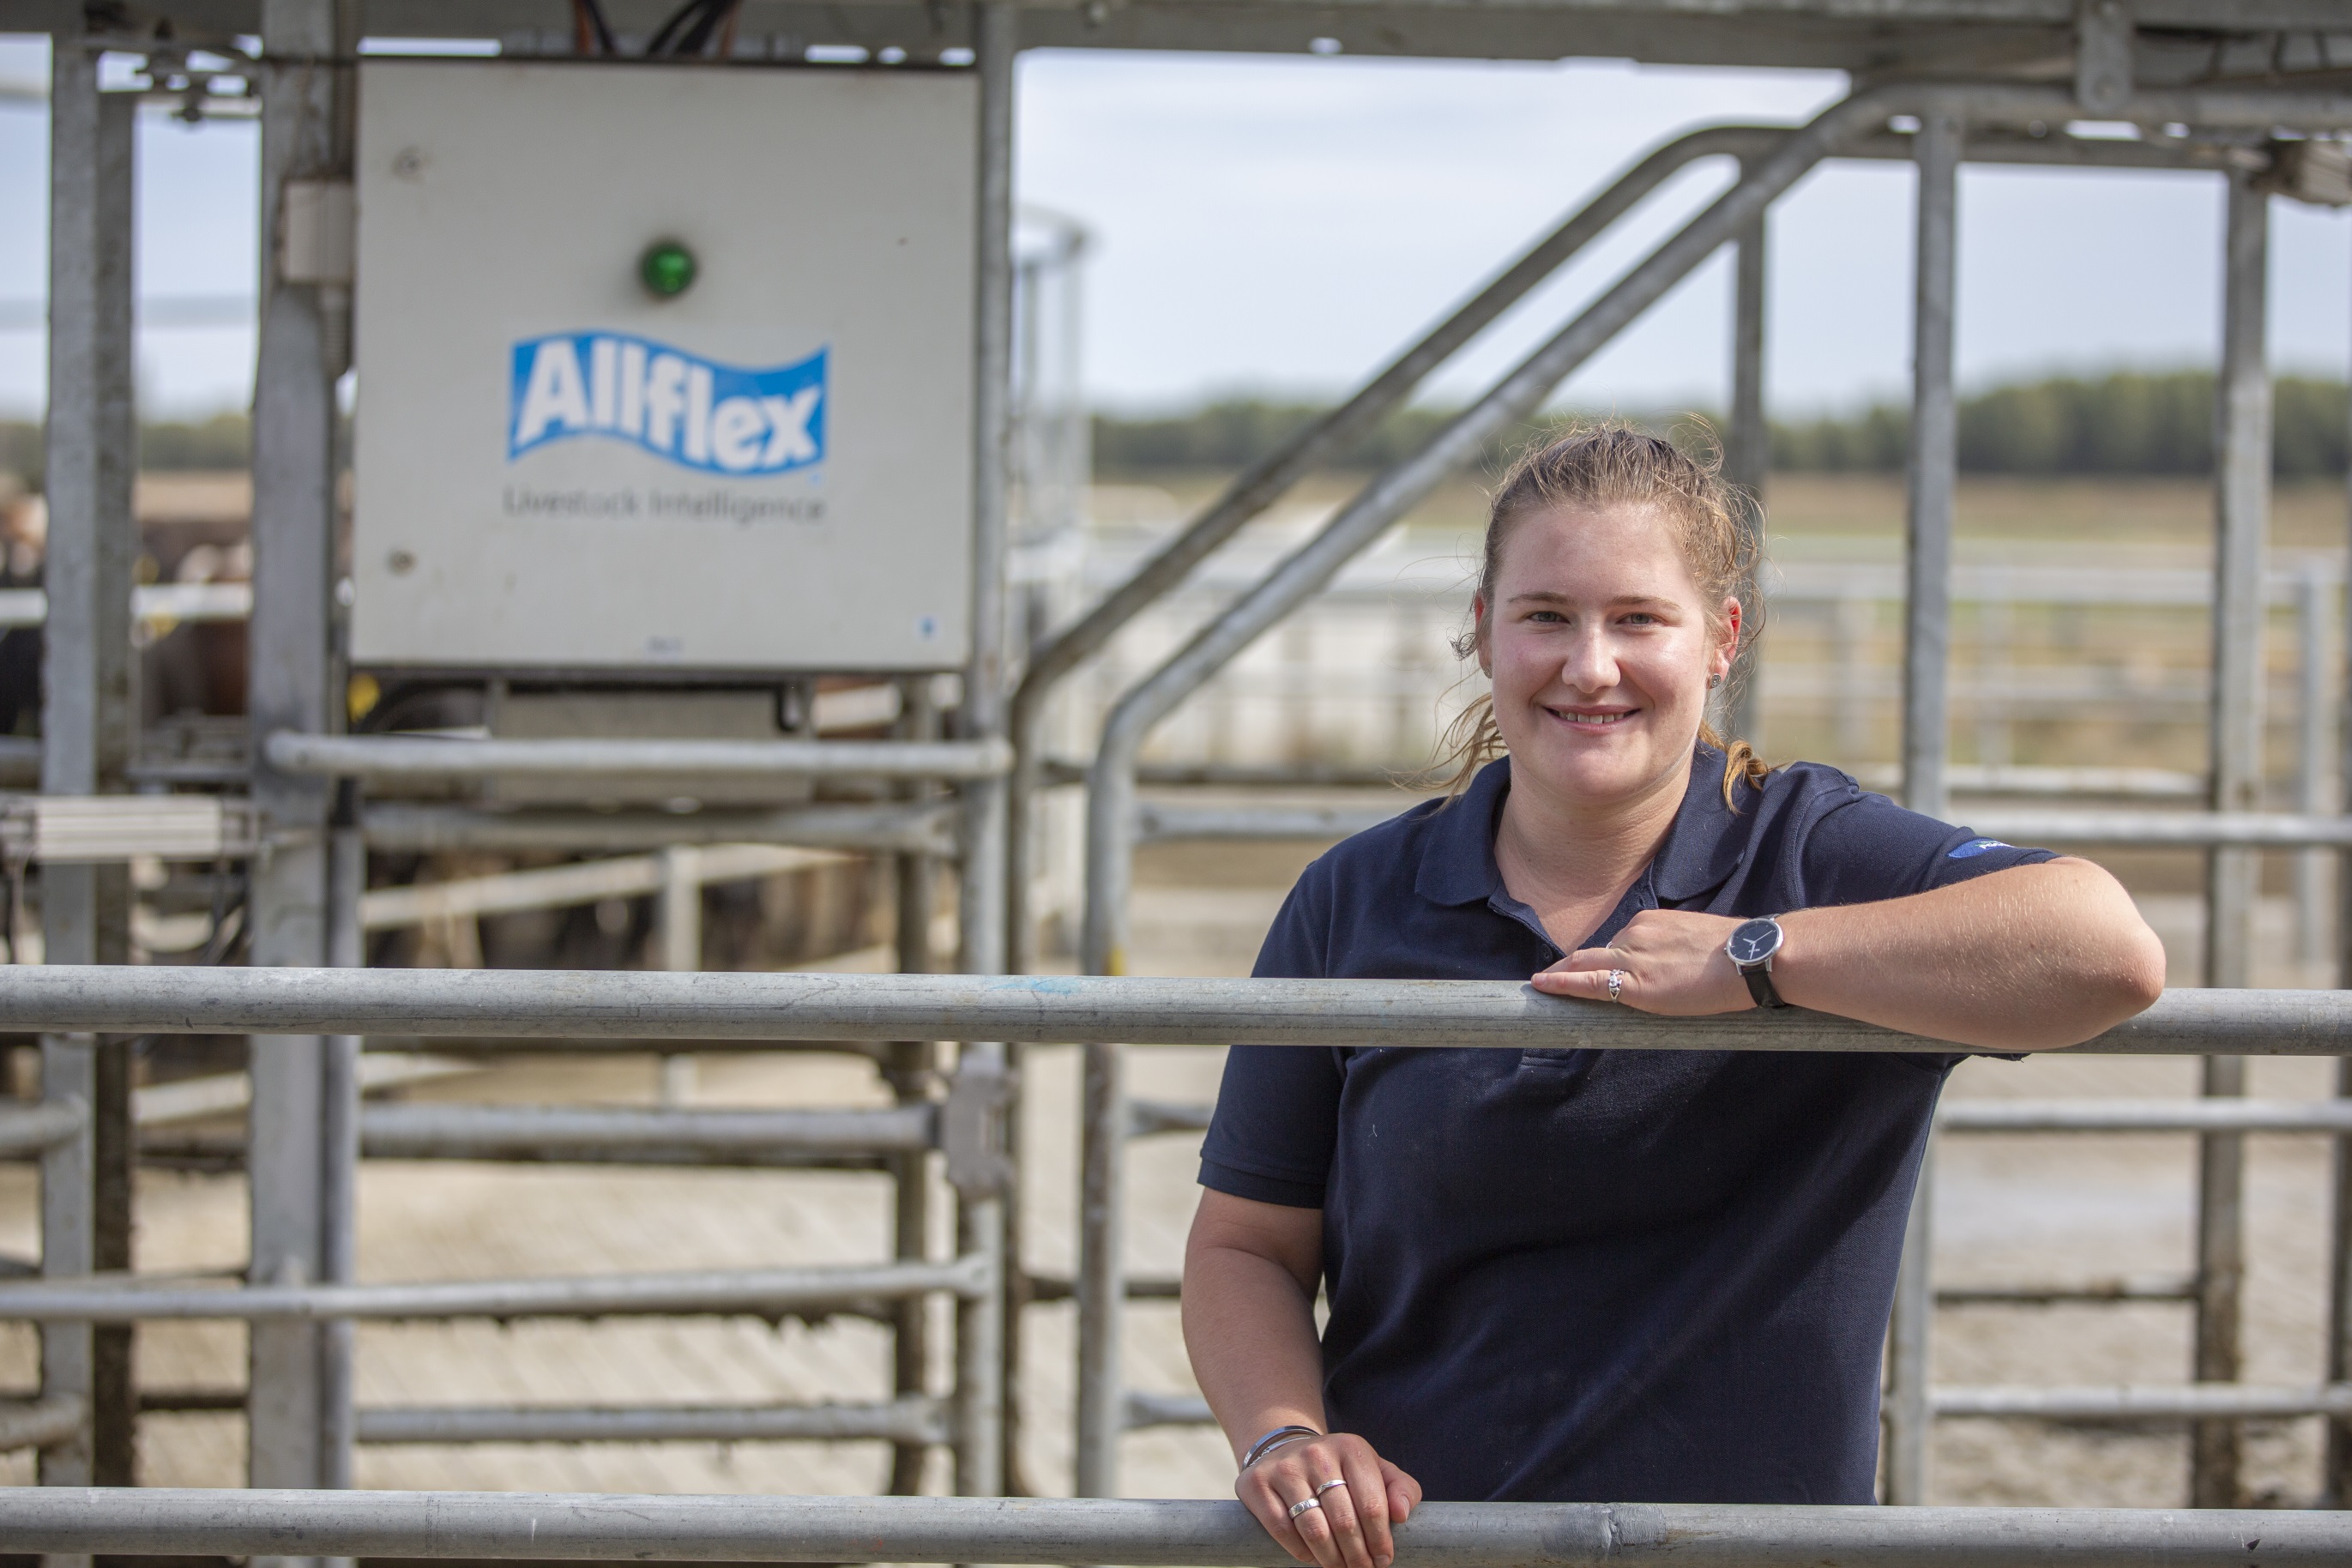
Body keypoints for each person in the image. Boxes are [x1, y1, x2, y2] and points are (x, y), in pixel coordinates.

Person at [1180, 425, 2166, 1568]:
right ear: (1481, 628)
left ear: (1720, 640)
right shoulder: (1356, 897)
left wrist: (1757, 957)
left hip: (1744, 1552)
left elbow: (2104, 949)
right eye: (1544, 615)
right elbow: (1245, 1246)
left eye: (1637, 619)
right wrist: (1283, 1436)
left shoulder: (1808, 854)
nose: (1588, 666)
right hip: (1424, 1545)